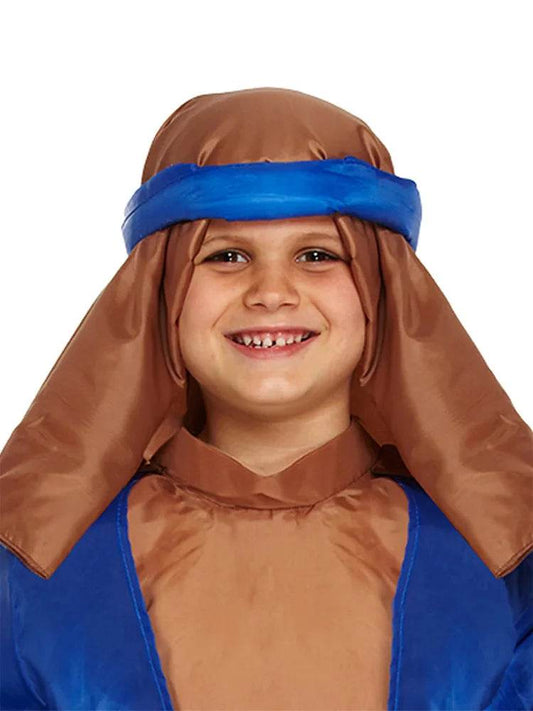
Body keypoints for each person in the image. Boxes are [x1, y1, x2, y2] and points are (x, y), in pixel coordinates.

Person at [0, 88, 531, 710]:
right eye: (226, 255)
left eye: (317, 255)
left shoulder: (505, 570)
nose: (272, 292)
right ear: (160, 293)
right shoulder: (33, 571)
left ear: (382, 290)